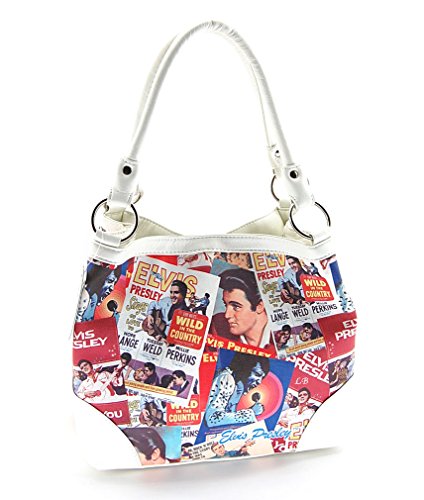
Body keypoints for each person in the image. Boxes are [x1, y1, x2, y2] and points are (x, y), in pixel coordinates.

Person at [210, 268, 274, 351]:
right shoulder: (218, 326)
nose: (227, 315)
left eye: (236, 307)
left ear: (259, 306)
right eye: (226, 305)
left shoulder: (283, 333)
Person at [205, 353, 270, 428]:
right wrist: (251, 412)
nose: (259, 381)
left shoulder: (238, 386)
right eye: (257, 374)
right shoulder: (227, 378)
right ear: (245, 368)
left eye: (262, 377)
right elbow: (212, 419)